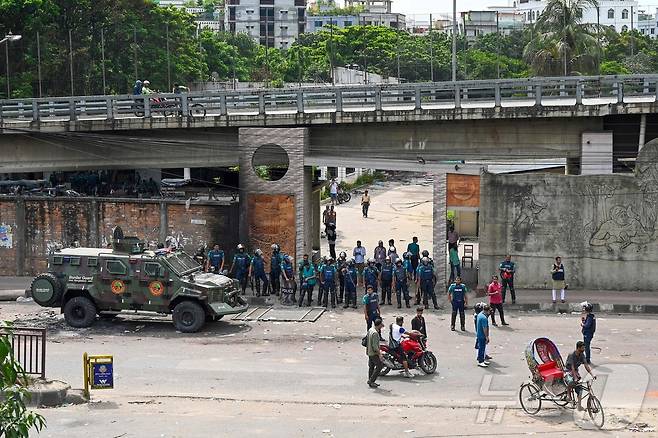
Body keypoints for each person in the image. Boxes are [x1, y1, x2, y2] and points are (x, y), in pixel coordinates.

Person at [565, 341, 596, 410]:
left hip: (575, 371)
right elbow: (572, 367)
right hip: (568, 370)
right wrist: (575, 377)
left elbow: (586, 365)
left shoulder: (582, 355)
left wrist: (592, 375)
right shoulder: (572, 355)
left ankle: (579, 406)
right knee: (571, 382)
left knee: (580, 390)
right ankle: (568, 395)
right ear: (578, 348)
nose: (584, 349)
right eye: (582, 348)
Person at [366, 318, 384, 388]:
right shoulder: (375, 333)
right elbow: (375, 346)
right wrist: (380, 354)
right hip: (374, 353)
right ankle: (371, 381)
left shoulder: (370, 330)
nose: (382, 326)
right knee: (379, 366)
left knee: (371, 366)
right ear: (379, 325)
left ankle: (370, 380)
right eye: (381, 324)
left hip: (369, 352)